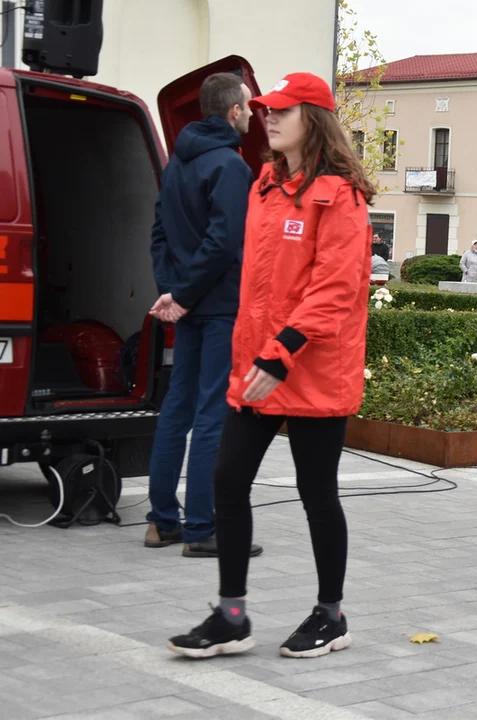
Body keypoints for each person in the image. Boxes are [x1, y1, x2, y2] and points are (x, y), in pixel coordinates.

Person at [165, 72, 376, 659]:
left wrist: (279, 354)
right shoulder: (265, 187)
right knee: (228, 480)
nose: (268, 118)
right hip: (260, 366)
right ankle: (232, 615)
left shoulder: (340, 196)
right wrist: (188, 300)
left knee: (317, 491)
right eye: (264, 109)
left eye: (282, 110)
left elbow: (334, 289)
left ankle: (331, 616)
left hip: (309, 368)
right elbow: (254, 280)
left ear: (316, 118)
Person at [146, 73, 263, 559]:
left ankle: (161, 523)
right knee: (213, 412)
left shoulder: (176, 164)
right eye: (251, 108)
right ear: (234, 111)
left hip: (188, 304)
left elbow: (158, 233)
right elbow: (224, 243)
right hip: (217, 308)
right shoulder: (231, 167)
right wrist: (189, 295)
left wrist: (172, 293)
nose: (255, 116)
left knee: (176, 409)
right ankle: (201, 528)